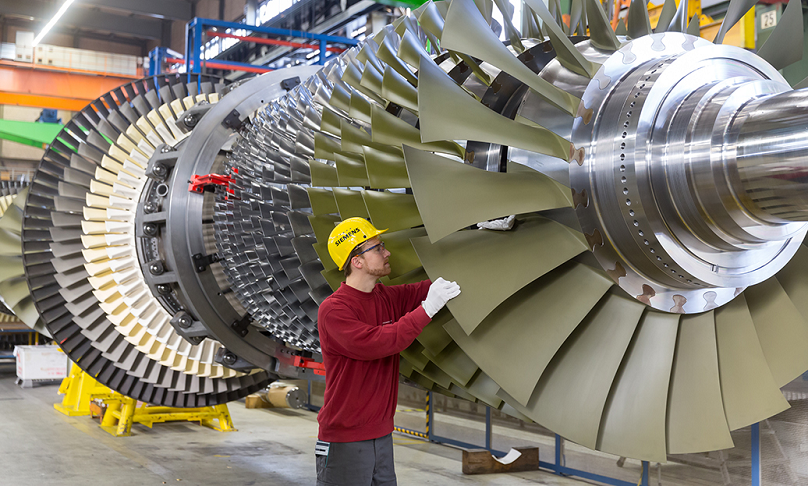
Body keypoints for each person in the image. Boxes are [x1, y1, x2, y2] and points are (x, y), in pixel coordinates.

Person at [314, 217, 461, 486]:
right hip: (345, 438)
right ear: (357, 261)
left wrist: (478, 238)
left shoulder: (384, 297)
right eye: (378, 248)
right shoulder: (334, 310)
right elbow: (377, 343)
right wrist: (427, 309)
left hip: (381, 435)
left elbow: (428, 288)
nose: (387, 252)